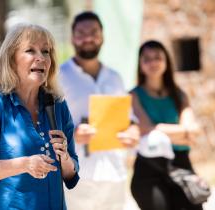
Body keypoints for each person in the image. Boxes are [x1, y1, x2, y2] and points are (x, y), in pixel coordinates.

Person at [0, 23, 79, 210]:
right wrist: (24, 164)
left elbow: (70, 175)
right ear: (11, 60)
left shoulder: (58, 106)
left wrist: (65, 157)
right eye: (30, 51)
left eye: (46, 51)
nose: (41, 58)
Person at [59, 11, 139, 210]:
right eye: (81, 33)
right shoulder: (58, 77)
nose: (87, 38)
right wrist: (72, 135)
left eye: (93, 32)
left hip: (114, 174)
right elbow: (44, 122)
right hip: (77, 178)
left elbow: (129, 120)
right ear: (72, 38)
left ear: (102, 36)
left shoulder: (115, 78)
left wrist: (133, 131)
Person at [130, 40, 202, 210]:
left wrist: (157, 128)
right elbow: (148, 134)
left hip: (182, 165)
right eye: (146, 59)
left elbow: (192, 134)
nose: (153, 62)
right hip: (149, 169)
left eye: (157, 57)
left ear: (166, 62)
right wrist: (180, 133)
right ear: (140, 65)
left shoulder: (179, 95)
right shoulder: (133, 96)